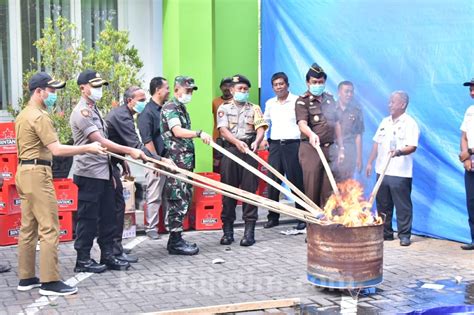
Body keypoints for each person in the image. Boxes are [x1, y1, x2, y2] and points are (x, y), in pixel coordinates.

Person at [15, 72, 105, 296]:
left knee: (28, 228)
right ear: (39, 91)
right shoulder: (39, 116)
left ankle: (26, 278)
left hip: (24, 171)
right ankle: (50, 282)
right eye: (51, 91)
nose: (54, 95)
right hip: (37, 172)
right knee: (49, 228)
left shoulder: (23, 114)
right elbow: (57, 149)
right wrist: (87, 147)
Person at [70, 70, 147, 273]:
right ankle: (83, 260)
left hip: (104, 171)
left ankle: (108, 255)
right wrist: (130, 150)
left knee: (108, 216)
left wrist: (120, 163)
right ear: (82, 88)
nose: (98, 90)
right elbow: (101, 141)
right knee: (87, 219)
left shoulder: (95, 110)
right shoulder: (82, 112)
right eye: (94, 86)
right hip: (89, 174)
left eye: (100, 86)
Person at [106, 86, 174, 262]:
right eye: (141, 100)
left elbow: (119, 141)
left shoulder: (126, 114)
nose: (144, 103)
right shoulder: (122, 116)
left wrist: (123, 161)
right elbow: (136, 144)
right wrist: (160, 160)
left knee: (117, 206)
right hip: (104, 166)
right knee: (116, 208)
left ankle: (116, 247)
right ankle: (113, 251)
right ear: (130, 101)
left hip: (113, 163)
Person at [160, 76, 211, 255]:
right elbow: (177, 131)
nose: (189, 94)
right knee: (177, 199)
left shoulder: (180, 108)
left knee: (183, 199)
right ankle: (175, 242)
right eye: (186, 90)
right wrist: (199, 133)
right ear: (176, 90)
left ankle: (177, 238)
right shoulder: (171, 108)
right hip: (176, 163)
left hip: (184, 163)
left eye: (191, 91)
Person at [217, 74, 268, 246]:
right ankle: (228, 232)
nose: (243, 92)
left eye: (246, 89)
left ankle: (249, 232)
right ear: (232, 90)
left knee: (249, 192)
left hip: (249, 152)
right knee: (229, 193)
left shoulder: (254, 108)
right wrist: (236, 142)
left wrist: (257, 140)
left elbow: (260, 128)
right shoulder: (223, 108)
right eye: (240, 89)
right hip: (231, 152)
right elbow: (223, 130)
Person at [366, 90, 420, 247]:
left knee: (402, 205)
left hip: (400, 172)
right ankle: (386, 232)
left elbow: (412, 146)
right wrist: (370, 162)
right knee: (383, 204)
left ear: (403, 104)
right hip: (382, 170)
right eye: (389, 101)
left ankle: (404, 235)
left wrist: (399, 152)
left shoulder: (410, 123)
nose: (389, 104)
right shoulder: (384, 122)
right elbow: (376, 143)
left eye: (393, 102)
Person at [295, 63, 344, 207]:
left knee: (329, 189)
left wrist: (341, 148)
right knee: (312, 187)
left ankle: (327, 224)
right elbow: (302, 123)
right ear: (308, 83)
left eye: (321, 82)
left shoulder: (330, 99)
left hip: (330, 149)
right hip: (311, 149)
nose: (318, 84)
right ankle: (312, 225)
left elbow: (337, 124)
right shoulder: (302, 101)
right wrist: (311, 134)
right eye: (314, 82)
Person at [261, 72, 306, 230]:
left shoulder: (297, 101)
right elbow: (265, 122)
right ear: (273, 87)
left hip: (293, 145)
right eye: (276, 84)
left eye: (281, 84)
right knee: (273, 182)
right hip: (275, 146)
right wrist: (264, 138)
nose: (279, 87)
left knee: (296, 182)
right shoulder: (270, 103)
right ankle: (273, 217)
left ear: (287, 85)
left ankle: (302, 217)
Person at [138, 77, 170, 240]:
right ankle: (151, 227)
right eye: (167, 88)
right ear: (158, 90)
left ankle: (166, 225)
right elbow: (147, 140)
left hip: (166, 159)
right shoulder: (147, 112)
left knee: (167, 194)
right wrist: (156, 161)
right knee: (154, 195)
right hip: (154, 161)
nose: (169, 91)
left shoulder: (164, 109)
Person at [334, 81, 365, 182]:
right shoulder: (331, 108)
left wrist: (359, 158)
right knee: (330, 184)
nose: (349, 94)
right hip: (332, 150)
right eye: (346, 92)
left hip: (349, 151)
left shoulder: (356, 111)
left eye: (351, 92)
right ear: (339, 92)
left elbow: (358, 135)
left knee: (346, 184)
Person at [458, 78, 474, 250]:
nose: (472, 92)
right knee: (472, 202)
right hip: (471, 165)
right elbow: (464, 137)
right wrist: (467, 159)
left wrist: (468, 153)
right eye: (470, 89)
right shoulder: (470, 111)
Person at [212, 77, 233, 173]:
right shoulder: (215, 102)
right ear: (220, 87)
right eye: (224, 85)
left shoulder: (236, 101)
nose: (227, 88)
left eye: (229, 85)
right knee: (217, 165)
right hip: (217, 138)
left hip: (232, 138)